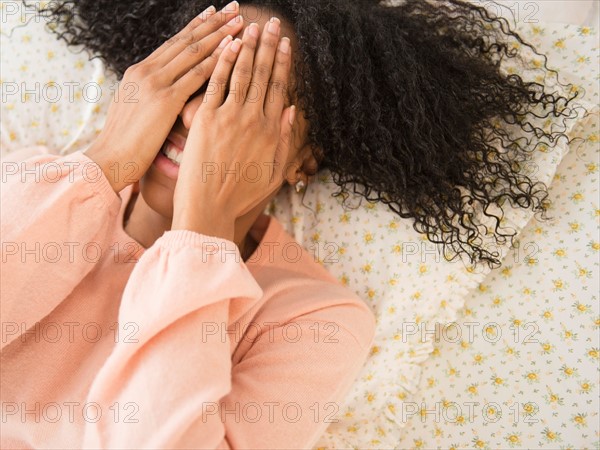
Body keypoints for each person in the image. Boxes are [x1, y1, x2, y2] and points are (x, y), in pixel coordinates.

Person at [1, 0, 586, 448]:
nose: (197, 119)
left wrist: (201, 226)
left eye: (243, 101)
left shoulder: (315, 320)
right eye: (196, 81)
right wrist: (106, 159)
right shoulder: (37, 184)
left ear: (305, 160)